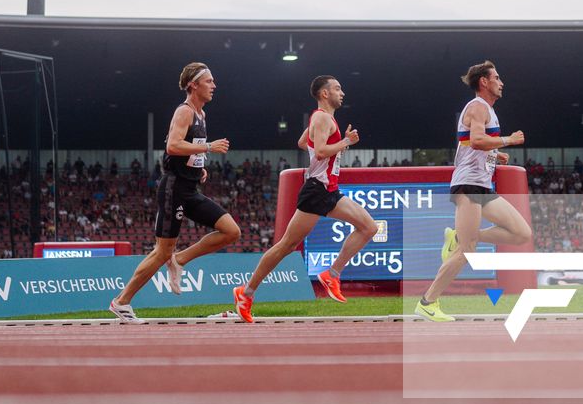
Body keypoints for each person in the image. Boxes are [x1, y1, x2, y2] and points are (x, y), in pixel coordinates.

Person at [233, 75, 379, 323]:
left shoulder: (323, 118)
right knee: (286, 246)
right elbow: (320, 151)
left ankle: (332, 275)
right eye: (337, 88)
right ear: (324, 93)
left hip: (328, 190)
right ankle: (245, 292)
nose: (342, 92)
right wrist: (345, 142)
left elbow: (304, 142)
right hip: (317, 191)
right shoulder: (322, 117)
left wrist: (329, 143)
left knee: (369, 227)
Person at [107, 63, 240, 323]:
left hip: (189, 187)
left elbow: (190, 149)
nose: (214, 86)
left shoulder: (202, 114)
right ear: (193, 84)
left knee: (231, 231)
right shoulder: (185, 111)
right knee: (161, 252)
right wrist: (209, 148)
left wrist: (198, 167)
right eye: (209, 81)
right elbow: (173, 146)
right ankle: (121, 302)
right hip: (174, 189)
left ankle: (179, 259)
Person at [416, 61, 531, 321]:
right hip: (469, 184)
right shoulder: (478, 106)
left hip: (482, 185)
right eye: (497, 78)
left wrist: (495, 153)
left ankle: (460, 236)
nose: (501, 82)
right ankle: (427, 302)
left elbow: (471, 143)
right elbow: (477, 140)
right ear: (484, 82)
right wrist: (508, 140)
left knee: (522, 233)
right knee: (467, 252)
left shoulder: (486, 109)